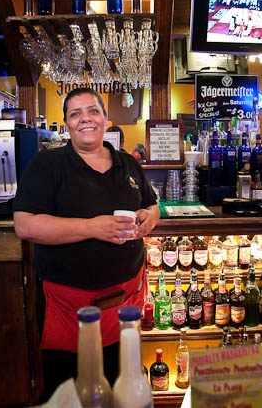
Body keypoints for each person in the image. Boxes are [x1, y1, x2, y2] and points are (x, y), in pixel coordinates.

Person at [13, 87, 160, 402]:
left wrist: (150, 216)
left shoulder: (128, 163)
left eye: (92, 111)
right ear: (67, 123)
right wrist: (93, 228)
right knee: (70, 393)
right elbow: (25, 225)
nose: (85, 119)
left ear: (105, 119)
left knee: (125, 388)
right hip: (69, 311)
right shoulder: (48, 165)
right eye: (75, 114)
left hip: (126, 305)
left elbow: (151, 204)